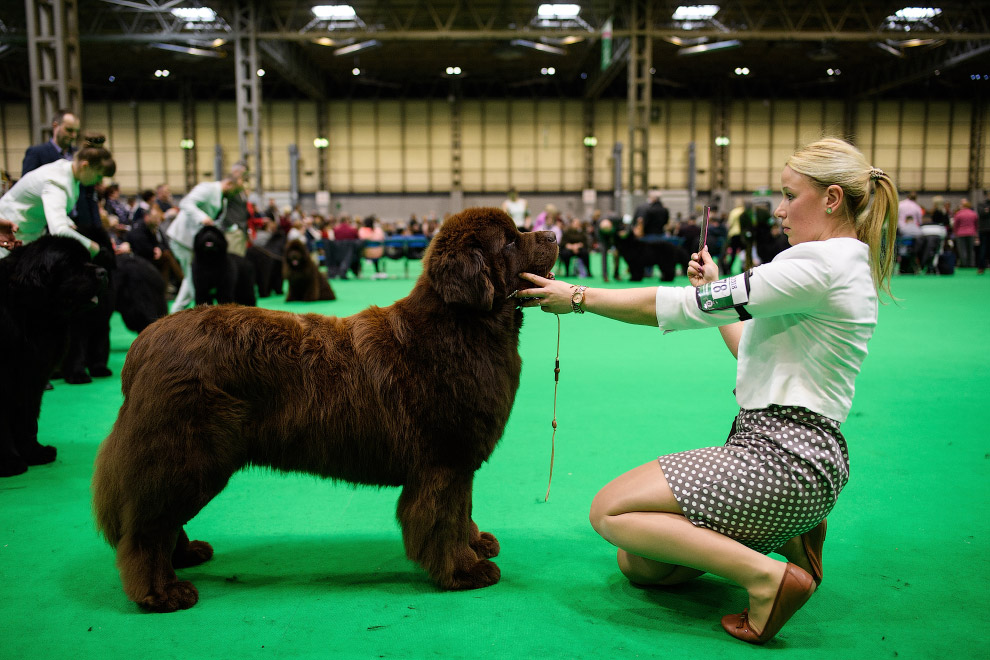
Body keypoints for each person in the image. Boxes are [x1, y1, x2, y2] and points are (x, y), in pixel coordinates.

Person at [515, 137, 897, 645]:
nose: (779, 211)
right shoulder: (839, 262)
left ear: (831, 198)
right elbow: (748, 352)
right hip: (801, 458)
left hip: (782, 459)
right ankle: (793, 533)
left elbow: (675, 309)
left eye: (788, 196)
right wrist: (712, 287)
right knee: (640, 565)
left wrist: (578, 296)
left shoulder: (818, 263)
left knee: (608, 511)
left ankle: (769, 578)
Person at [0, 133, 115, 260]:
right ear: (85, 166)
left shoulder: (68, 171)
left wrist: (69, 223)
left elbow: (55, 209)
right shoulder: (57, 182)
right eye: (99, 175)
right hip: (8, 237)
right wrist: (96, 249)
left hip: (27, 235)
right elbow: (59, 230)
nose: (99, 181)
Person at [166, 163, 247, 311]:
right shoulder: (207, 188)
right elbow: (186, 203)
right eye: (235, 191)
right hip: (182, 239)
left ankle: (176, 313)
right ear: (229, 184)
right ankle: (182, 316)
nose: (235, 195)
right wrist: (202, 217)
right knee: (194, 281)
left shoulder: (223, 198)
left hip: (195, 243)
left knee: (191, 280)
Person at [21, 109, 80, 175]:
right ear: (55, 126)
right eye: (69, 130)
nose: (74, 135)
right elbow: (27, 183)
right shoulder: (36, 153)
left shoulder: (79, 154)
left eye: (76, 131)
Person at [952, 199, 978, 268]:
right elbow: (976, 224)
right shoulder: (973, 213)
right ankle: (971, 264)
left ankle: (964, 264)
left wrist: (955, 232)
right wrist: (975, 232)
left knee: (962, 250)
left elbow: (955, 225)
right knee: (971, 249)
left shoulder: (959, 213)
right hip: (971, 233)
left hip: (960, 234)